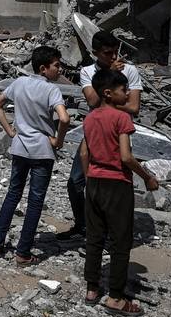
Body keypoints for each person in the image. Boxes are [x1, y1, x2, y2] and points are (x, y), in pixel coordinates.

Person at [79, 69, 158, 316]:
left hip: (94, 181)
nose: (127, 94)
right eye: (124, 90)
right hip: (117, 184)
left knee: (94, 237)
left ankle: (92, 288)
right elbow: (126, 156)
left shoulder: (90, 118)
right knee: (121, 241)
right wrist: (147, 177)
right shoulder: (122, 119)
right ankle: (115, 297)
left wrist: (90, 176)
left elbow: (84, 153)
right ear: (108, 93)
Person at [0, 45, 70, 266]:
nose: (59, 70)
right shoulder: (52, 90)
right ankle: (23, 252)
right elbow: (65, 118)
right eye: (56, 66)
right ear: (43, 68)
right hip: (42, 150)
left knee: (13, 194)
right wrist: (58, 141)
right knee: (35, 201)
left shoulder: (19, 83)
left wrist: (11, 131)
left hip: (20, 147)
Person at [57, 31, 143, 240]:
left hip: (118, 134)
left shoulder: (130, 71)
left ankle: (111, 233)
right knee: (76, 181)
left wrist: (107, 104)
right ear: (95, 53)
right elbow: (93, 102)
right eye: (107, 54)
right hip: (94, 132)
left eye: (115, 53)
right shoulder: (88, 71)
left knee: (115, 184)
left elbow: (134, 106)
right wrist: (108, 79)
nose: (113, 58)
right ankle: (83, 225)